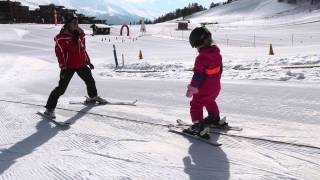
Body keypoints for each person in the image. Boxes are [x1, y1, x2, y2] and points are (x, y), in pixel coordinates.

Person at [44, 14, 107, 118]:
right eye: (74, 22)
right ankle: (49, 109)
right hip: (68, 66)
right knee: (61, 89)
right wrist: (63, 66)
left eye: (77, 22)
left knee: (90, 80)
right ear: (68, 24)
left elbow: (83, 50)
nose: (76, 24)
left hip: (81, 64)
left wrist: (88, 61)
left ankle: (92, 97)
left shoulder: (80, 34)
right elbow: (59, 53)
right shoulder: (62, 38)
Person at [183, 26, 226, 139]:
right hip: (215, 87)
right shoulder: (217, 54)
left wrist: (192, 87)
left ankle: (198, 126)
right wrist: (215, 81)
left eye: (196, 46)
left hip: (204, 88)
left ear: (198, 44)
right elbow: (220, 70)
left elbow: (198, 75)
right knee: (210, 100)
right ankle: (214, 117)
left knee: (196, 104)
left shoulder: (201, 58)